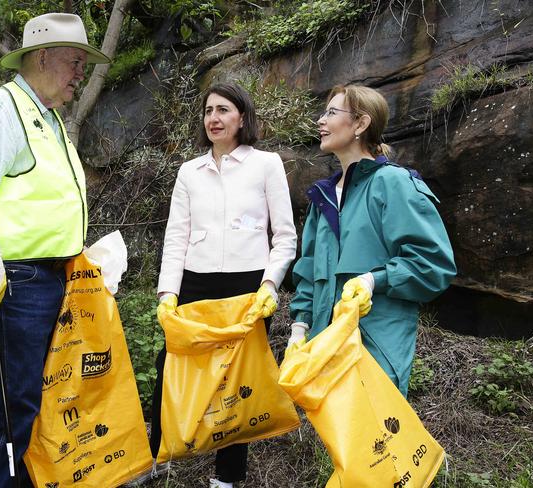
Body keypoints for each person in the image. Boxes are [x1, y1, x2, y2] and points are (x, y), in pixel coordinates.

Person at [0, 13, 110, 487]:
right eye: (75, 61)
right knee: (16, 408)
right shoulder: (2, 110)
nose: (81, 72)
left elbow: (47, 202)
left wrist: (84, 260)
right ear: (42, 57)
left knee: (45, 403)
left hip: (57, 279)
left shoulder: (50, 117)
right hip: (19, 285)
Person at [151, 82, 297, 488]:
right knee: (170, 366)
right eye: (208, 111)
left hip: (248, 286)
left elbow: (284, 236)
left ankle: (226, 477)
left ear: (242, 117)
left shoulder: (266, 164)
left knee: (237, 380)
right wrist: (168, 293)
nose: (214, 118)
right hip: (195, 284)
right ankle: (156, 455)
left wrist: (270, 285)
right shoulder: (189, 172)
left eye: (223, 110)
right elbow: (176, 237)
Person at [288, 84, 456, 397]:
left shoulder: (394, 183)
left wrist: (372, 280)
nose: (320, 121)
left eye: (332, 113)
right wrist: (299, 328)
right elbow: (309, 271)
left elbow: (433, 263)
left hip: (377, 348)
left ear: (361, 124)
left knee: (377, 443)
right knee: (335, 444)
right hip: (325, 348)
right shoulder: (321, 197)